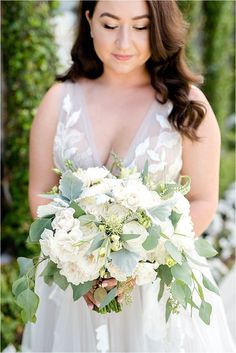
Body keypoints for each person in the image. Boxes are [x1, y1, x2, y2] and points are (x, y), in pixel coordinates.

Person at [22, 1, 235, 352]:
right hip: (75, 284)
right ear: (89, 22)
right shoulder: (59, 101)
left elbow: (202, 199)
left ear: (160, 28)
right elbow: (40, 196)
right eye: (110, 25)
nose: (124, 42)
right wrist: (81, 263)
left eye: (140, 26)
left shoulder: (186, 105)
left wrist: (140, 263)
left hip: (157, 287)